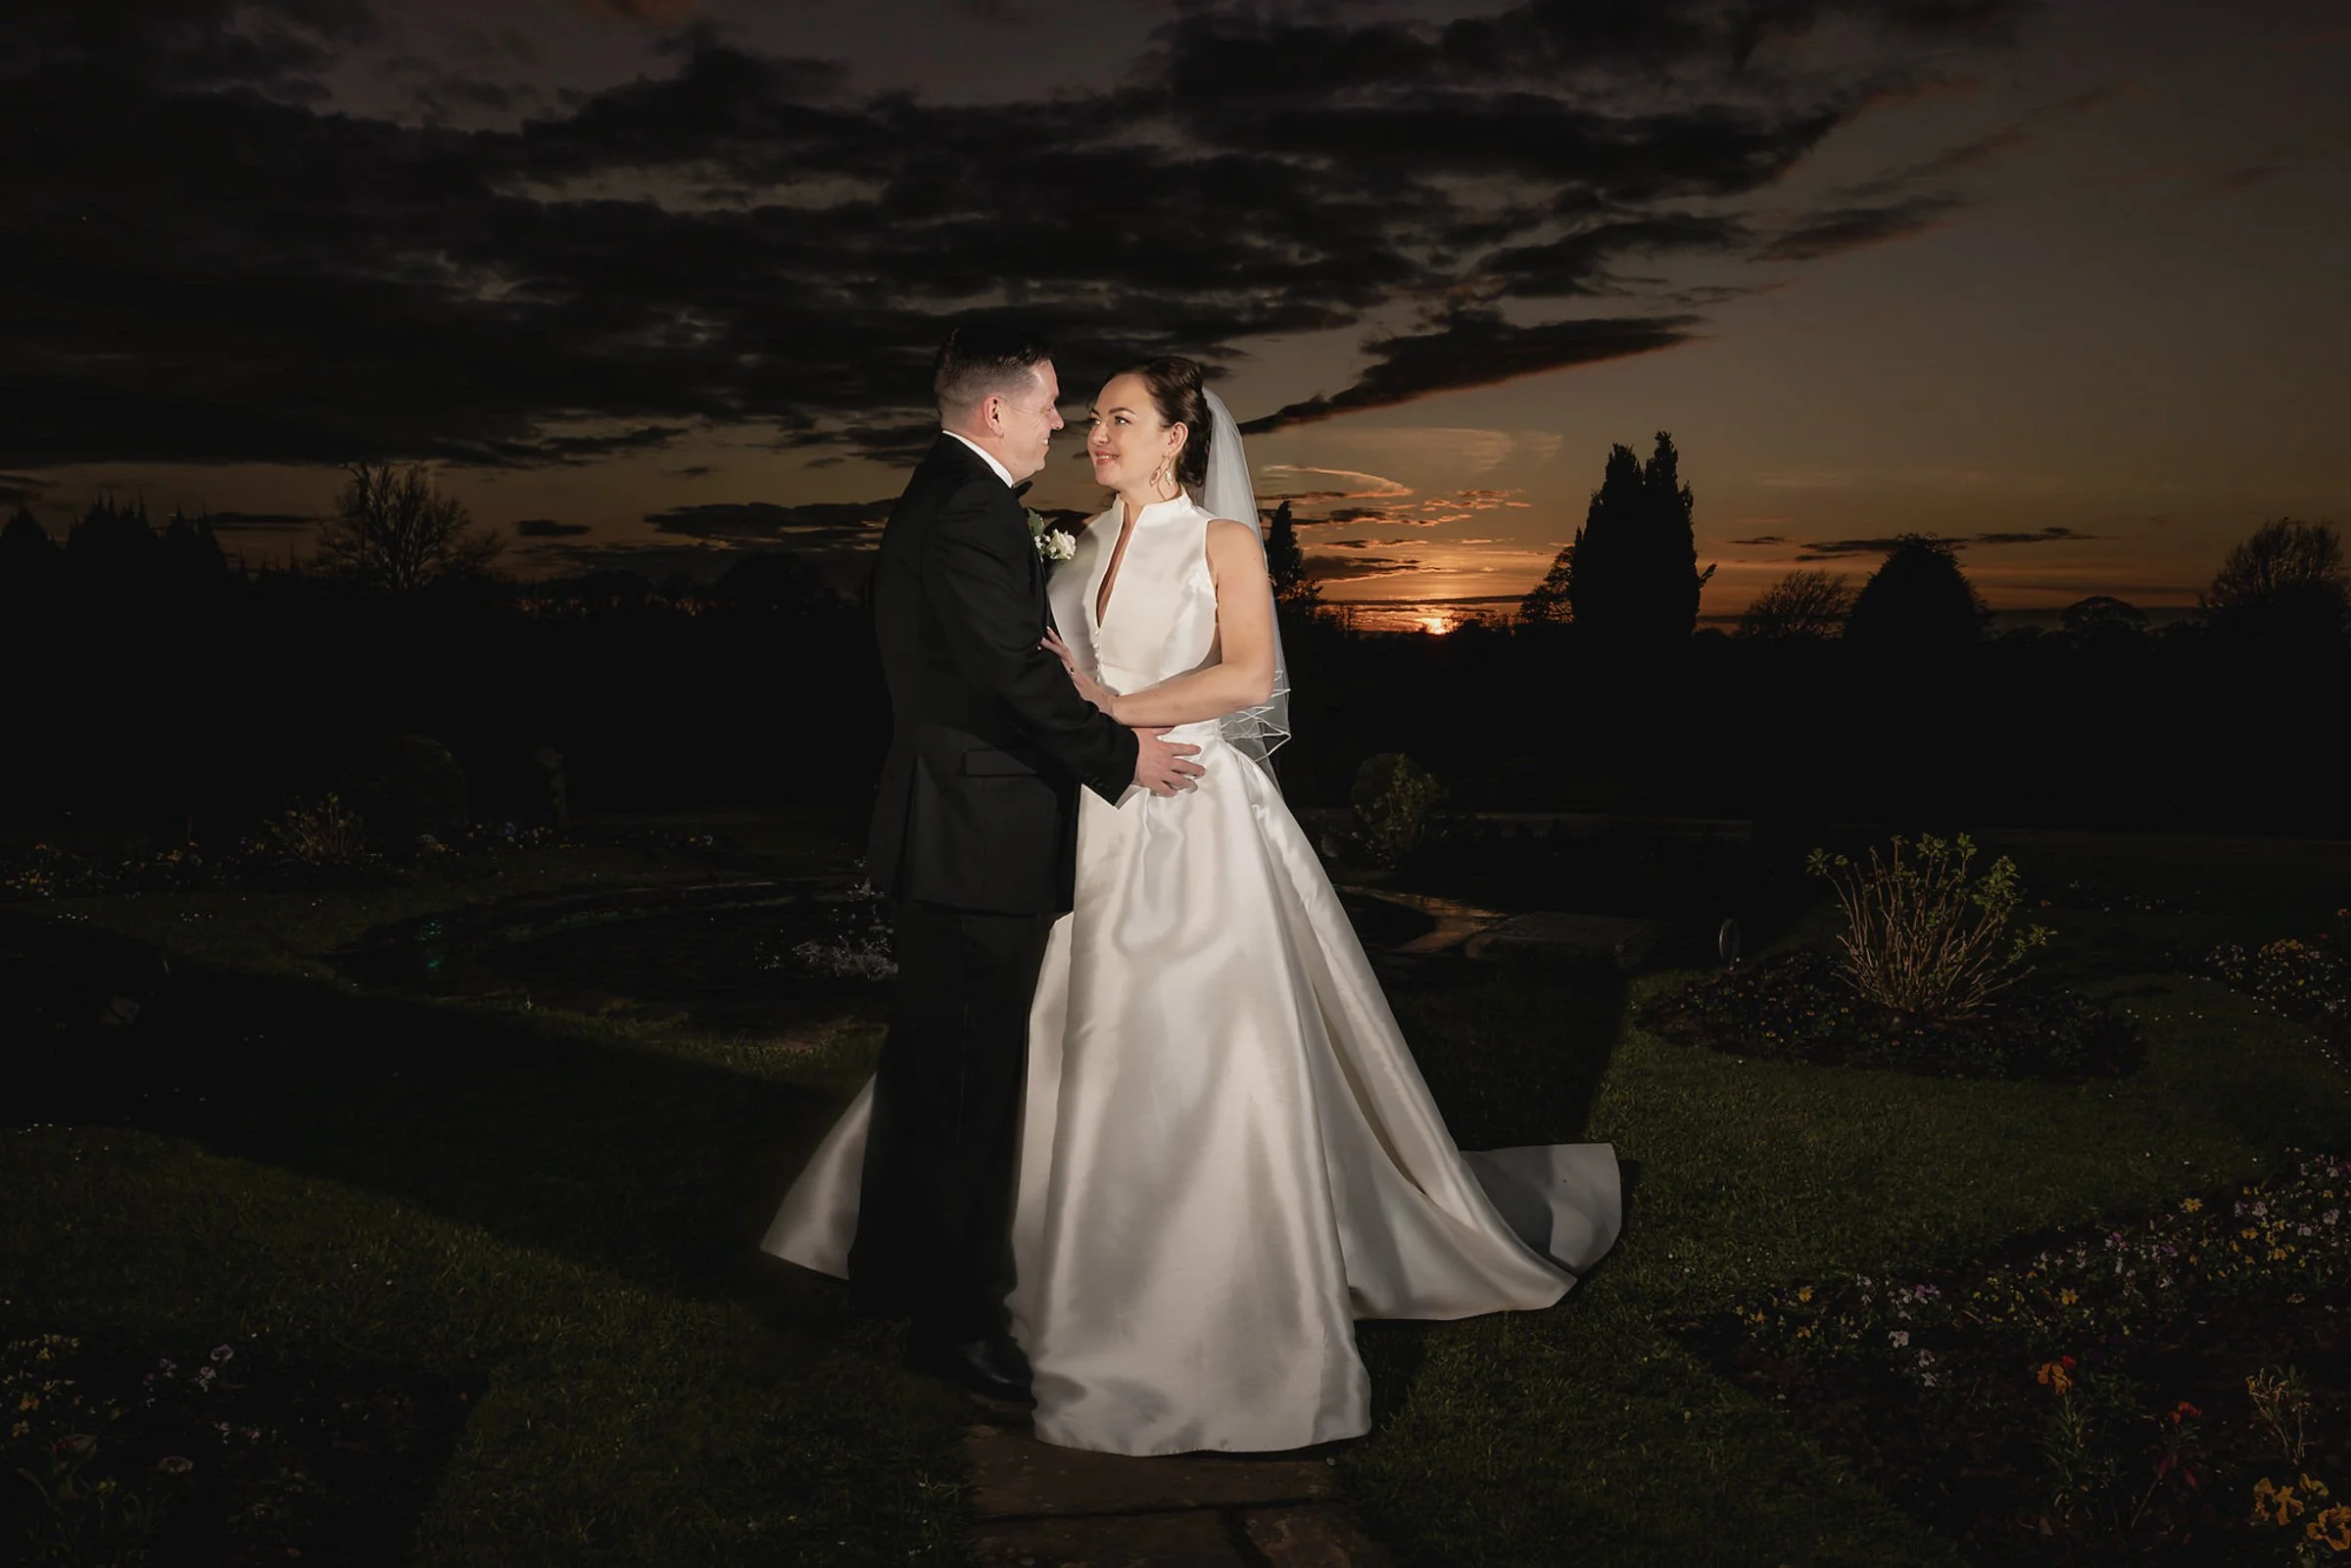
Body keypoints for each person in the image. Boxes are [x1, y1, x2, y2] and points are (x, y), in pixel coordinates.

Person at [768, 356, 1619, 1455]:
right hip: (1092, 813)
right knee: (1049, 1043)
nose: (1095, 435)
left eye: (1121, 418)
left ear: (1178, 439)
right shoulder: (1067, 541)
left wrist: (1118, 711)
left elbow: (1251, 675)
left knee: (1192, 1050)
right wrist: (1099, 733)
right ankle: (1022, 1259)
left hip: (1188, 807)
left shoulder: (1222, 542)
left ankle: (1196, 1275)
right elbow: (1022, 664)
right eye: (1090, 419)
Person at [837, 326, 1207, 1403]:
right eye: (1049, 403)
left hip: (949, 827)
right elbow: (1008, 672)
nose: (1063, 419)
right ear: (994, 412)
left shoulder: (947, 498)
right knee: (968, 1094)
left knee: (924, 1073)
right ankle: (955, 1325)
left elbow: (989, 661)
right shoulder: (970, 510)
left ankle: (890, 1269)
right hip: (975, 837)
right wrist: (1120, 753)